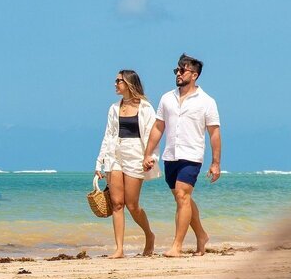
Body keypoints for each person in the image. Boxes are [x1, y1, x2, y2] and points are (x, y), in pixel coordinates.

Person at [143, 53, 221, 257]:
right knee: (182, 199)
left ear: (194, 75)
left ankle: (176, 246)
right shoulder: (167, 98)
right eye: (176, 70)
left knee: (182, 195)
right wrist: (148, 153)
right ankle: (202, 235)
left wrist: (215, 162)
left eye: (182, 70)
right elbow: (159, 127)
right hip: (171, 155)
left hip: (192, 155)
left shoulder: (207, 101)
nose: (178, 73)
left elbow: (214, 132)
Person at [95, 70, 160, 258]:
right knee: (117, 203)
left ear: (130, 83)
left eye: (118, 81)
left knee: (132, 205)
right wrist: (99, 162)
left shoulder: (146, 108)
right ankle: (119, 249)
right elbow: (108, 135)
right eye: (115, 81)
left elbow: (152, 135)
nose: (115, 84)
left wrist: (151, 157)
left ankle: (149, 235)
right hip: (114, 155)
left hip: (136, 156)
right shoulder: (114, 108)